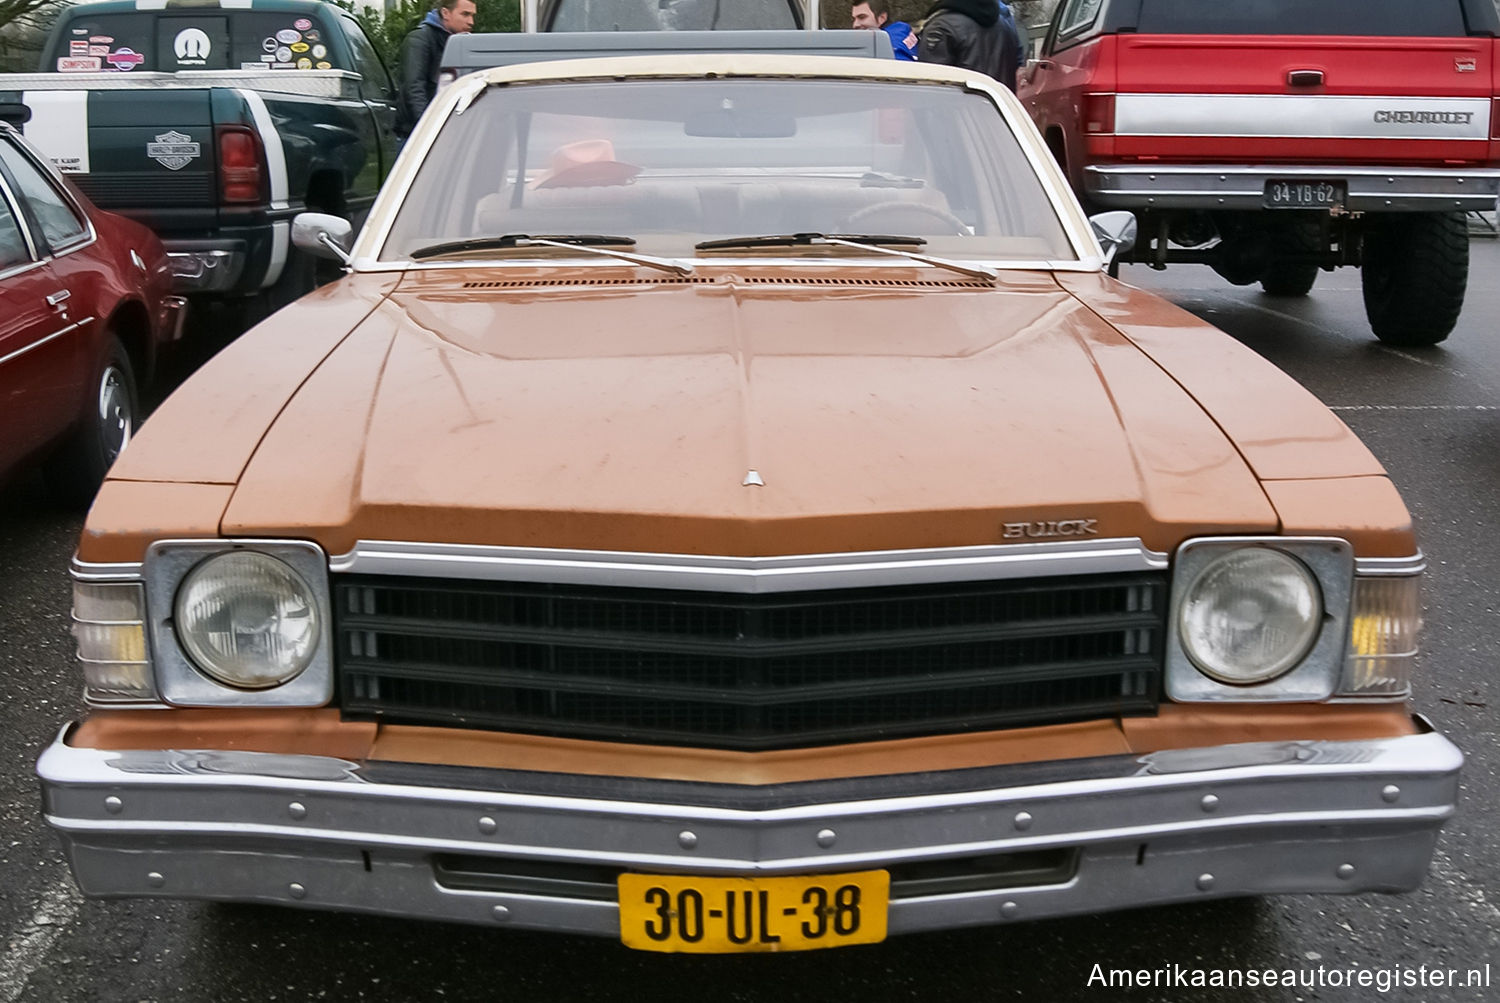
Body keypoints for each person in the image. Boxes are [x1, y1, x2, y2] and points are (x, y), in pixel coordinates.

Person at [398, 0, 477, 138]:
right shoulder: (420, 40)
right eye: (465, 14)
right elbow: (414, 88)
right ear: (445, 13)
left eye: (472, 15)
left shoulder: (458, 43)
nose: (471, 22)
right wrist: (428, 128)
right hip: (417, 134)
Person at [917, 0, 1018, 90]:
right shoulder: (1004, 25)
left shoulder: (942, 26)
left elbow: (931, 83)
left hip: (956, 108)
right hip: (996, 107)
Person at [851, 1, 919, 61]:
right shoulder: (901, 30)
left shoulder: (889, 47)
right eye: (854, 19)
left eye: (862, 17)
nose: (855, 25)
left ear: (882, 18)